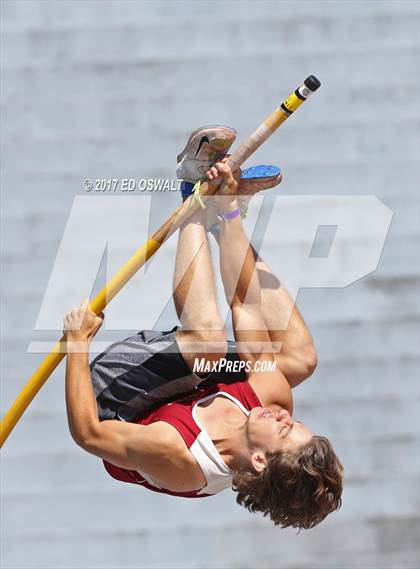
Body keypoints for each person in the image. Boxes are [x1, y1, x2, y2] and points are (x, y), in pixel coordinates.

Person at [63, 126, 343, 530]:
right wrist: (229, 216)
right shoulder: (271, 403)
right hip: (195, 390)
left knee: (209, 342)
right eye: (295, 423)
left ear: (261, 460)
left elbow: (90, 434)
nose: (285, 416)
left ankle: (193, 191)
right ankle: (215, 214)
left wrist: (77, 344)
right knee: (298, 359)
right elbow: (244, 302)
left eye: (285, 430)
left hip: (117, 399)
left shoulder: (179, 458)